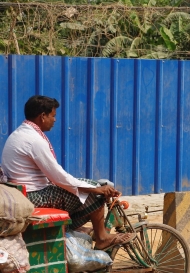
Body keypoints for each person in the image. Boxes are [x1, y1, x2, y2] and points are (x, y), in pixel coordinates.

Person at [1, 95, 132, 250]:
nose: (55, 120)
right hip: (34, 196)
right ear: (43, 116)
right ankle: (102, 237)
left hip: (22, 193)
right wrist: (95, 188)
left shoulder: (19, 134)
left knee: (85, 187)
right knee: (96, 192)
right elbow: (58, 177)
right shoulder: (33, 140)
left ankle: (76, 229)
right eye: (53, 116)